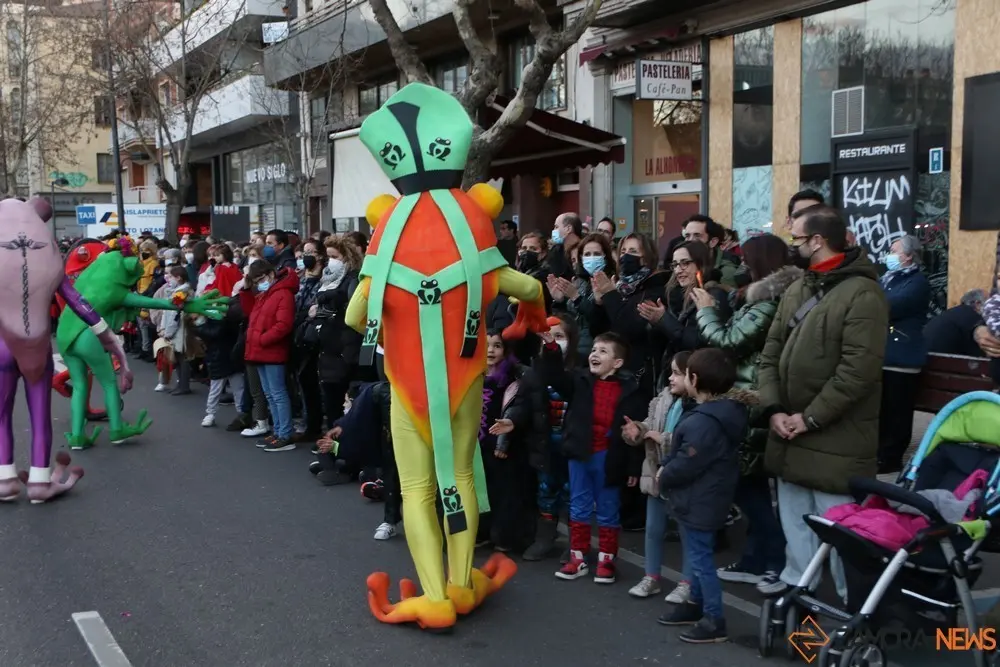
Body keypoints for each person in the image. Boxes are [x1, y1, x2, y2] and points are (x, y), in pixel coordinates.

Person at [757, 205, 888, 601]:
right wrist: (774, 409)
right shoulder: (800, 286)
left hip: (835, 439)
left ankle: (855, 608)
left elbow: (857, 373)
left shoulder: (863, 294)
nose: (792, 245)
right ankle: (799, 595)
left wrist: (809, 418)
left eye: (797, 239)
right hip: (789, 431)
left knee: (839, 529)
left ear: (818, 241)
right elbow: (770, 352)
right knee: (795, 523)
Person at [692, 234, 799, 593]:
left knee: (749, 487)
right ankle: (757, 558)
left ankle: (776, 561)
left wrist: (706, 308)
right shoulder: (760, 297)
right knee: (748, 484)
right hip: (747, 394)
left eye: (745, 259)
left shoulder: (769, 300)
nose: (739, 266)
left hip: (753, 397)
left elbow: (729, 341)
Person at [656, 348, 748, 644]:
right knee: (697, 556)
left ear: (694, 379)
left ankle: (714, 618)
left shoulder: (704, 421)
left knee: (701, 561)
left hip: (699, 499)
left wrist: (664, 473)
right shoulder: (718, 414)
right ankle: (695, 605)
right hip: (705, 497)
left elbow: (688, 460)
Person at [539, 330, 646, 584]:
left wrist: (633, 467)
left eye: (603, 351)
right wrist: (552, 349)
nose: (595, 355)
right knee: (579, 506)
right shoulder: (579, 380)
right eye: (594, 350)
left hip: (609, 457)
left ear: (617, 363)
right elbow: (555, 376)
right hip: (580, 454)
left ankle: (607, 560)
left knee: (608, 509)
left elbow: (634, 433)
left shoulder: (631, 390)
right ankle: (578, 559)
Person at [623, 350, 692, 602]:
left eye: (678, 373)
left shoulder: (697, 405)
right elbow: (649, 424)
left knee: (687, 533)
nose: (671, 379)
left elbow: (692, 442)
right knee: (653, 530)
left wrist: (662, 439)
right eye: (670, 372)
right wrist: (637, 430)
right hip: (655, 474)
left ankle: (687, 582)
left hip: (682, 478)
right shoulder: (662, 399)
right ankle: (651, 576)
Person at [522, 315, 578, 562]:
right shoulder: (534, 370)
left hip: (570, 442)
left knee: (571, 491)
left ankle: (576, 542)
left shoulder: (580, 372)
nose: (553, 341)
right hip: (544, 441)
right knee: (545, 489)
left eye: (559, 337)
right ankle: (545, 536)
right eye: (548, 336)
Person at [878, 234, 930, 474]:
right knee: (884, 409)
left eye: (894, 250)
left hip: (903, 356)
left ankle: (891, 458)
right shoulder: (889, 278)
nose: (889, 255)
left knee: (897, 411)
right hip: (885, 354)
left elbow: (890, 305)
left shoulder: (917, 282)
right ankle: (880, 453)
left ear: (909, 256)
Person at [480, 331, 536, 553]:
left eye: (497, 346)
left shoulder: (514, 379)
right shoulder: (471, 374)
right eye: (486, 346)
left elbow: (517, 410)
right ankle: (482, 532)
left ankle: (505, 536)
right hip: (478, 443)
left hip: (503, 444)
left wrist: (504, 441)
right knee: (482, 490)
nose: (490, 351)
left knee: (505, 491)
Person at [242, 260, 299, 452]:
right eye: (256, 280)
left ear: (271, 274)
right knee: (270, 394)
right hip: (262, 350)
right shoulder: (266, 294)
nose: (260, 283)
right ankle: (279, 432)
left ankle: (285, 434)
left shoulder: (282, 294)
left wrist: (262, 339)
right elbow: (250, 312)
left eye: (261, 278)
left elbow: (283, 325)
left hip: (271, 350)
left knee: (277, 394)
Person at [316, 235, 363, 427]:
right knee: (331, 398)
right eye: (328, 257)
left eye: (334, 256)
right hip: (329, 345)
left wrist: (325, 303)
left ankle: (341, 440)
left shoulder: (352, 279)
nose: (331, 261)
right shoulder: (328, 278)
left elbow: (346, 302)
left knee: (343, 398)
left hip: (344, 345)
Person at [548, 232, 614, 358]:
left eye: (597, 254)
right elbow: (565, 320)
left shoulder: (612, 282)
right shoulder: (579, 282)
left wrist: (577, 298)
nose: (592, 258)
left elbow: (600, 323)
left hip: (595, 351)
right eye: (587, 254)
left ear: (605, 257)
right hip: (573, 348)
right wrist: (559, 301)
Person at [196, 295, 244, 427]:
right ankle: (211, 413)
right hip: (221, 359)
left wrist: (199, 324)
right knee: (217, 389)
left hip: (227, 358)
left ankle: (242, 413)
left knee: (237, 388)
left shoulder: (226, 322)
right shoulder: (220, 322)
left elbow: (210, 333)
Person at [680, 215, 740, 289]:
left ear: (713, 242)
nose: (690, 240)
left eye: (697, 236)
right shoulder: (682, 263)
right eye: (687, 236)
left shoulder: (726, 272)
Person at [925, 289, 987, 356]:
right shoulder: (971, 316)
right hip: (938, 362)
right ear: (978, 304)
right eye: (991, 302)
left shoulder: (952, 314)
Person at [547, 213, 584, 279]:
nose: (554, 230)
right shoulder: (556, 251)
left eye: (556, 227)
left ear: (568, 229)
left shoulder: (585, 249)